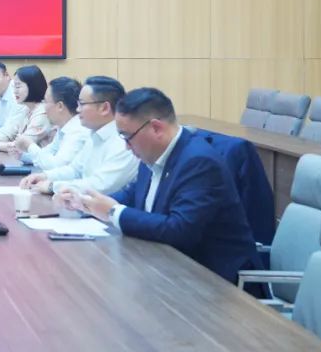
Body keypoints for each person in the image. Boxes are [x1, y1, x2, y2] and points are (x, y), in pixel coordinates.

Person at [58, 88, 259, 284]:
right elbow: (132, 196)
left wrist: (112, 212)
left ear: (156, 128)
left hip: (215, 282)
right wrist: (85, 203)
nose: (126, 146)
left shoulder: (199, 162)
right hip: (169, 270)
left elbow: (178, 229)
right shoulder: (152, 154)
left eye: (127, 137)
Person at [21, 76, 137, 195]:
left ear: (104, 108)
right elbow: (74, 170)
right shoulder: (94, 134)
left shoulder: (123, 142)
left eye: (82, 104)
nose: (77, 109)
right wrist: (45, 176)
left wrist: (53, 186)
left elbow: (101, 185)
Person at [14, 77, 89, 170]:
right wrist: (21, 155)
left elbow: (56, 166)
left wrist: (29, 145)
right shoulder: (63, 128)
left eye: (45, 102)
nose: (43, 107)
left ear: (60, 106)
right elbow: (47, 154)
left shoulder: (77, 131)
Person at [0, 65, 52, 153]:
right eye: (14, 87)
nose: (14, 91)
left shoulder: (42, 114)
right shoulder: (27, 110)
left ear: (32, 86)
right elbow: (11, 135)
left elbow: (20, 146)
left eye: (18, 86)